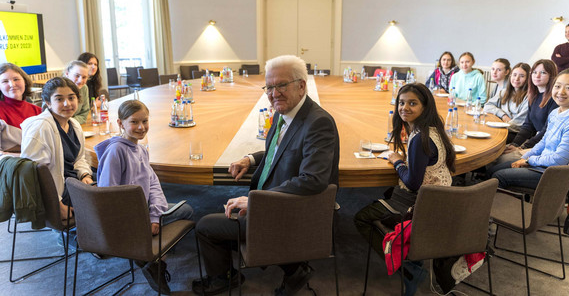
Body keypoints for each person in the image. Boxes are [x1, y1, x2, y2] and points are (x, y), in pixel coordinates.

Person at [193, 55, 340, 296]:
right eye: (269, 87)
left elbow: (314, 179)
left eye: (281, 85)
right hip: (275, 202)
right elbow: (284, 149)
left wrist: (256, 201)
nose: (274, 93)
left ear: (301, 85)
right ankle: (293, 267)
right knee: (225, 217)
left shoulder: (318, 122)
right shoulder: (286, 113)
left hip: (289, 211)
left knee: (205, 226)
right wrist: (250, 159)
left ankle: (224, 278)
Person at [95, 100, 193, 295]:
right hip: (126, 218)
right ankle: (152, 258)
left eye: (145, 121)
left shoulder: (140, 149)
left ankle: (153, 258)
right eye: (134, 122)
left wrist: (154, 215)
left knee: (185, 209)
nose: (141, 127)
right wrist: (143, 220)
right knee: (186, 211)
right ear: (120, 123)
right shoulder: (116, 151)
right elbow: (108, 196)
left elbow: (153, 183)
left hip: (142, 210)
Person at [354, 82, 455, 261]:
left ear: (425, 107)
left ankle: (405, 265)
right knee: (386, 192)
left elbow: (413, 183)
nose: (404, 108)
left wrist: (398, 162)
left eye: (412, 103)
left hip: (420, 207)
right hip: (441, 201)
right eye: (401, 103)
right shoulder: (434, 130)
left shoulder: (419, 138)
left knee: (361, 218)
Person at [20, 77, 93, 220]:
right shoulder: (41, 127)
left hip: (71, 181)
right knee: (105, 199)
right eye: (59, 99)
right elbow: (33, 174)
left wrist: (85, 175)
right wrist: (57, 204)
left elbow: (79, 159)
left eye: (71, 98)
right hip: (55, 191)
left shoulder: (74, 125)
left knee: (111, 183)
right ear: (48, 103)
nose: (67, 104)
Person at [490, 68, 569, 190]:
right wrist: (525, 157)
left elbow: (559, 160)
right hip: (540, 164)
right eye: (557, 86)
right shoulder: (555, 113)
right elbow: (544, 142)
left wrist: (529, 161)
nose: (561, 92)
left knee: (498, 176)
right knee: (493, 170)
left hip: (552, 173)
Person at [501, 59, 558, 162]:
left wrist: (522, 147)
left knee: (501, 159)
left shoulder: (554, 99)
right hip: (534, 142)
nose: (537, 76)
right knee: (499, 152)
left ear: (552, 76)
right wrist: (515, 144)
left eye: (543, 73)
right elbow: (528, 125)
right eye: (535, 72)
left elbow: (546, 131)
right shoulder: (534, 96)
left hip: (545, 147)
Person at [484, 62, 531, 143]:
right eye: (514, 75)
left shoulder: (529, 97)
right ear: (510, 76)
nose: (516, 79)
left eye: (522, 76)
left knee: (489, 139)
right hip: (502, 127)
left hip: (515, 133)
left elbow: (518, 124)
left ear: (528, 79)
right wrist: (503, 115)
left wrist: (498, 125)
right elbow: (487, 106)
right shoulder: (504, 92)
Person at [0, 63, 41, 151]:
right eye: (5, 81)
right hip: (12, 162)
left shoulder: (39, 111)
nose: (12, 85)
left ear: (25, 82)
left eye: (16, 79)